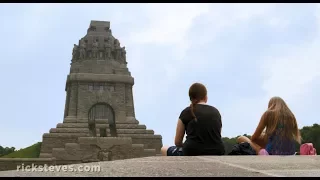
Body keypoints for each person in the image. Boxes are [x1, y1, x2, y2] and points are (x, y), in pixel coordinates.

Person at [161, 83, 225, 156]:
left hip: (192, 151)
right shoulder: (216, 112)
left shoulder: (186, 112)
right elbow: (217, 135)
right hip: (217, 151)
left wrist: (186, 146)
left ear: (191, 98)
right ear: (205, 97)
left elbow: (177, 142)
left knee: (163, 149)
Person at [237, 96, 301, 155]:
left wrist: (261, 136)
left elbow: (254, 137)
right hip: (290, 152)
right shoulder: (291, 116)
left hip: (272, 151)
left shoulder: (268, 114)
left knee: (241, 138)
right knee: (267, 136)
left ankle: (261, 152)